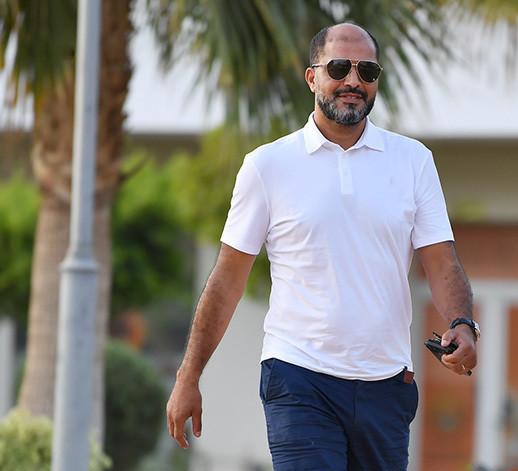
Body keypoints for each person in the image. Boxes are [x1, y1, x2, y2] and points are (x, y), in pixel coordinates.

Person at [166, 22, 477, 470]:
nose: (353, 80)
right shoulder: (268, 166)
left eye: (367, 71)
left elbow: (442, 262)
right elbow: (227, 281)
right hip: (298, 377)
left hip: (386, 383)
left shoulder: (413, 162)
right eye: (338, 68)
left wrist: (462, 324)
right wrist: (188, 375)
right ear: (312, 78)